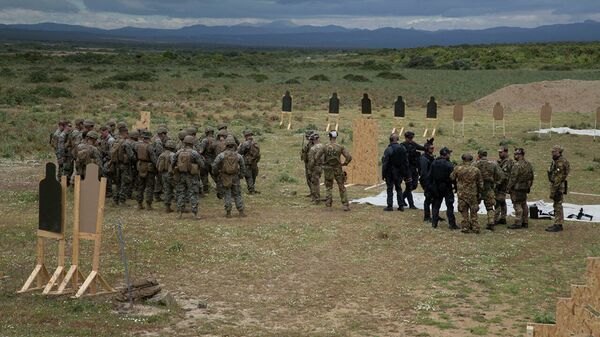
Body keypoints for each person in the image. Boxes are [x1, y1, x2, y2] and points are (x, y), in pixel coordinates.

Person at [314, 130, 352, 211]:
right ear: (336, 137)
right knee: (341, 187)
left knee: (328, 187)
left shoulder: (324, 147)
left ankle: (328, 204)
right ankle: (345, 205)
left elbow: (317, 156)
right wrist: (345, 163)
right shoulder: (340, 147)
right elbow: (348, 157)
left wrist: (321, 163)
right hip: (338, 169)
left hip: (328, 169)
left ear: (330, 137)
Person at [212, 136, 246, 218]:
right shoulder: (238, 156)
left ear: (226, 145)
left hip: (225, 176)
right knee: (237, 194)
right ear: (234, 145)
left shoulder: (221, 155)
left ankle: (228, 213)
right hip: (235, 177)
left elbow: (215, 165)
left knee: (227, 193)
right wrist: (241, 175)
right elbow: (243, 167)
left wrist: (216, 173)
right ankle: (241, 211)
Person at [172, 135, 204, 219]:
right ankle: (194, 214)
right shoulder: (194, 153)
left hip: (181, 175)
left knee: (181, 193)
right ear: (192, 143)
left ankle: (180, 214)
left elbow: (172, 162)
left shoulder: (178, 152)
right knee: (193, 193)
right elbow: (202, 164)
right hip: (192, 176)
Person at [451, 153, 483, 233]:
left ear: (463, 159)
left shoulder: (458, 168)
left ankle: (465, 227)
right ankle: (475, 227)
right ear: (471, 160)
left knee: (464, 211)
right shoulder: (476, 170)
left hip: (462, 194)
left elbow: (452, 177)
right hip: (473, 194)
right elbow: (480, 183)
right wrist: (480, 192)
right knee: (474, 211)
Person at [428, 147, 458, 229]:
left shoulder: (434, 163)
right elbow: (453, 178)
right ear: (446, 154)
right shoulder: (449, 165)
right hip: (447, 187)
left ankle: (434, 223)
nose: (450, 155)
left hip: (436, 187)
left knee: (436, 205)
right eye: (449, 154)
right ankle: (452, 224)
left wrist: (430, 186)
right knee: (449, 206)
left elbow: (430, 176)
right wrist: (455, 187)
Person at [474, 149, 503, 231]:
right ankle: (491, 222)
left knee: (475, 206)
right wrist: (496, 183)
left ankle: (474, 222)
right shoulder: (494, 164)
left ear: (479, 155)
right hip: (489, 188)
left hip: (478, 189)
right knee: (490, 207)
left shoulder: (475, 164)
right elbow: (501, 176)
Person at [381, 133, 411, 211]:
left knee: (390, 189)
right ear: (397, 139)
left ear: (390, 140)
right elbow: (406, 162)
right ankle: (401, 206)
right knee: (399, 188)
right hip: (400, 172)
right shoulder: (402, 148)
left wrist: (383, 174)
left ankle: (390, 206)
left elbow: (385, 163)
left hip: (390, 173)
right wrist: (406, 174)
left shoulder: (389, 149)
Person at [507, 148, 534, 229]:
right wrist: (529, 186)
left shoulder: (516, 165)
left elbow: (513, 178)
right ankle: (525, 222)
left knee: (517, 204)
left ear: (520, 155)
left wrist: (508, 187)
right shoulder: (528, 164)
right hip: (525, 187)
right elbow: (531, 176)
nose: (515, 156)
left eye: (516, 154)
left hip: (517, 188)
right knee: (524, 204)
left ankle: (518, 222)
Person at [546, 145, 570, 232]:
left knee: (557, 205)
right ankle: (558, 223)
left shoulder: (561, 162)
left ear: (559, 152)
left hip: (558, 186)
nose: (552, 153)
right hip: (557, 185)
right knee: (557, 204)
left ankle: (558, 224)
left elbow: (558, 178)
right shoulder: (556, 161)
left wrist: (554, 190)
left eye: (554, 152)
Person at [111, 126, 136, 206]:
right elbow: (131, 156)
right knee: (125, 182)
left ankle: (115, 199)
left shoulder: (115, 141)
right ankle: (122, 200)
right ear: (125, 133)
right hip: (125, 165)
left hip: (116, 164)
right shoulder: (125, 143)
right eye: (127, 133)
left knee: (117, 183)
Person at [134, 131, 158, 210]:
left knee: (140, 186)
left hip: (140, 166)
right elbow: (154, 159)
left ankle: (139, 204)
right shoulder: (149, 147)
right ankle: (148, 204)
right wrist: (157, 167)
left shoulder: (138, 145)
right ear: (149, 138)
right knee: (149, 186)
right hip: (148, 168)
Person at [494, 146, 514, 225]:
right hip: (501, 183)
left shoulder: (508, 162)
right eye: (499, 152)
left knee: (498, 201)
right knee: (502, 201)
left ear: (506, 152)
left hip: (502, 184)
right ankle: (503, 217)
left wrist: (497, 183)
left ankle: (496, 218)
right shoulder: (501, 161)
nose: (499, 154)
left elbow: (504, 175)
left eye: (501, 152)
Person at [157, 140, 177, 213]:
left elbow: (157, 165)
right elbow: (175, 165)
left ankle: (167, 207)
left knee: (167, 190)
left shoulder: (161, 154)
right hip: (171, 174)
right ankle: (180, 207)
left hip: (163, 174)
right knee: (177, 189)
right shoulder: (173, 155)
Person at [419, 142, 435, 221]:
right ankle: (427, 216)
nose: (433, 149)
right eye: (431, 148)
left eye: (433, 148)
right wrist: (426, 184)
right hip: (427, 182)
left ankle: (435, 215)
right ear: (426, 149)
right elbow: (424, 173)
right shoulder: (424, 159)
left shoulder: (430, 157)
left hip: (432, 181)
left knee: (434, 199)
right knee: (428, 200)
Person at [198, 127, 217, 194]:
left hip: (205, 161)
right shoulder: (216, 140)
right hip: (214, 161)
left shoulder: (204, 140)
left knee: (204, 175)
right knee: (215, 175)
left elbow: (201, 151)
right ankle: (220, 188)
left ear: (206, 132)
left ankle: (206, 190)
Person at [307, 133, 324, 204]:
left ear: (313, 140)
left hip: (315, 167)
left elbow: (311, 161)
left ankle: (317, 199)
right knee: (317, 182)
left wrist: (309, 169)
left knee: (315, 183)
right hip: (321, 166)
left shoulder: (312, 149)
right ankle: (316, 197)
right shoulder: (323, 146)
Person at [301, 130, 315, 197]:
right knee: (308, 179)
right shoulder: (308, 144)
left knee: (312, 178)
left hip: (311, 164)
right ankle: (312, 192)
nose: (306, 137)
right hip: (307, 163)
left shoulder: (313, 144)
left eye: (307, 136)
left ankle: (314, 193)